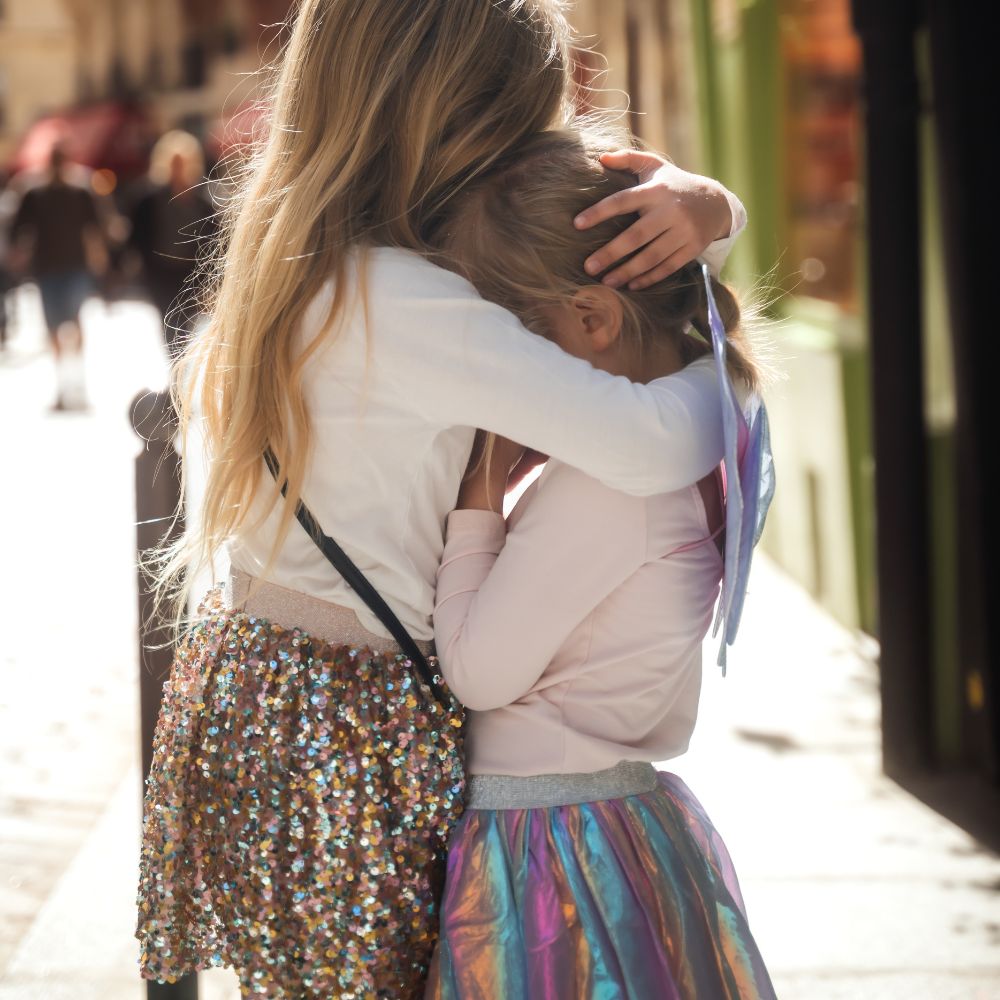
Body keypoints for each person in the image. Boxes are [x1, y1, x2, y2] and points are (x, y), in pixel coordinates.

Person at [136, 3, 748, 996]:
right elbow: (653, 439)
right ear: (470, 118)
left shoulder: (321, 273)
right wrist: (732, 324)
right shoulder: (411, 305)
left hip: (276, 693)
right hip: (343, 712)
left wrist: (706, 221)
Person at [427, 129, 775, 998]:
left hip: (546, 856)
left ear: (590, 319)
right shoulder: (710, 408)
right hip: (616, 826)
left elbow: (477, 670)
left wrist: (477, 499)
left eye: (508, 345)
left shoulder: (610, 484)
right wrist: (715, 210)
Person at [8, 143, 106, 410]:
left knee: (74, 324)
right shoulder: (34, 191)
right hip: (49, 269)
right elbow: (19, 229)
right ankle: (65, 384)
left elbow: (95, 228)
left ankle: (76, 383)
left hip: (74, 267)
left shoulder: (80, 190)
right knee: (54, 328)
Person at [127, 130, 217, 358]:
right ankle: (176, 372)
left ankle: (182, 371)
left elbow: (214, 240)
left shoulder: (203, 201)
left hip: (190, 276)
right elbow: (138, 236)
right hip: (160, 273)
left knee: (187, 326)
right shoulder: (149, 200)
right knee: (169, 324)